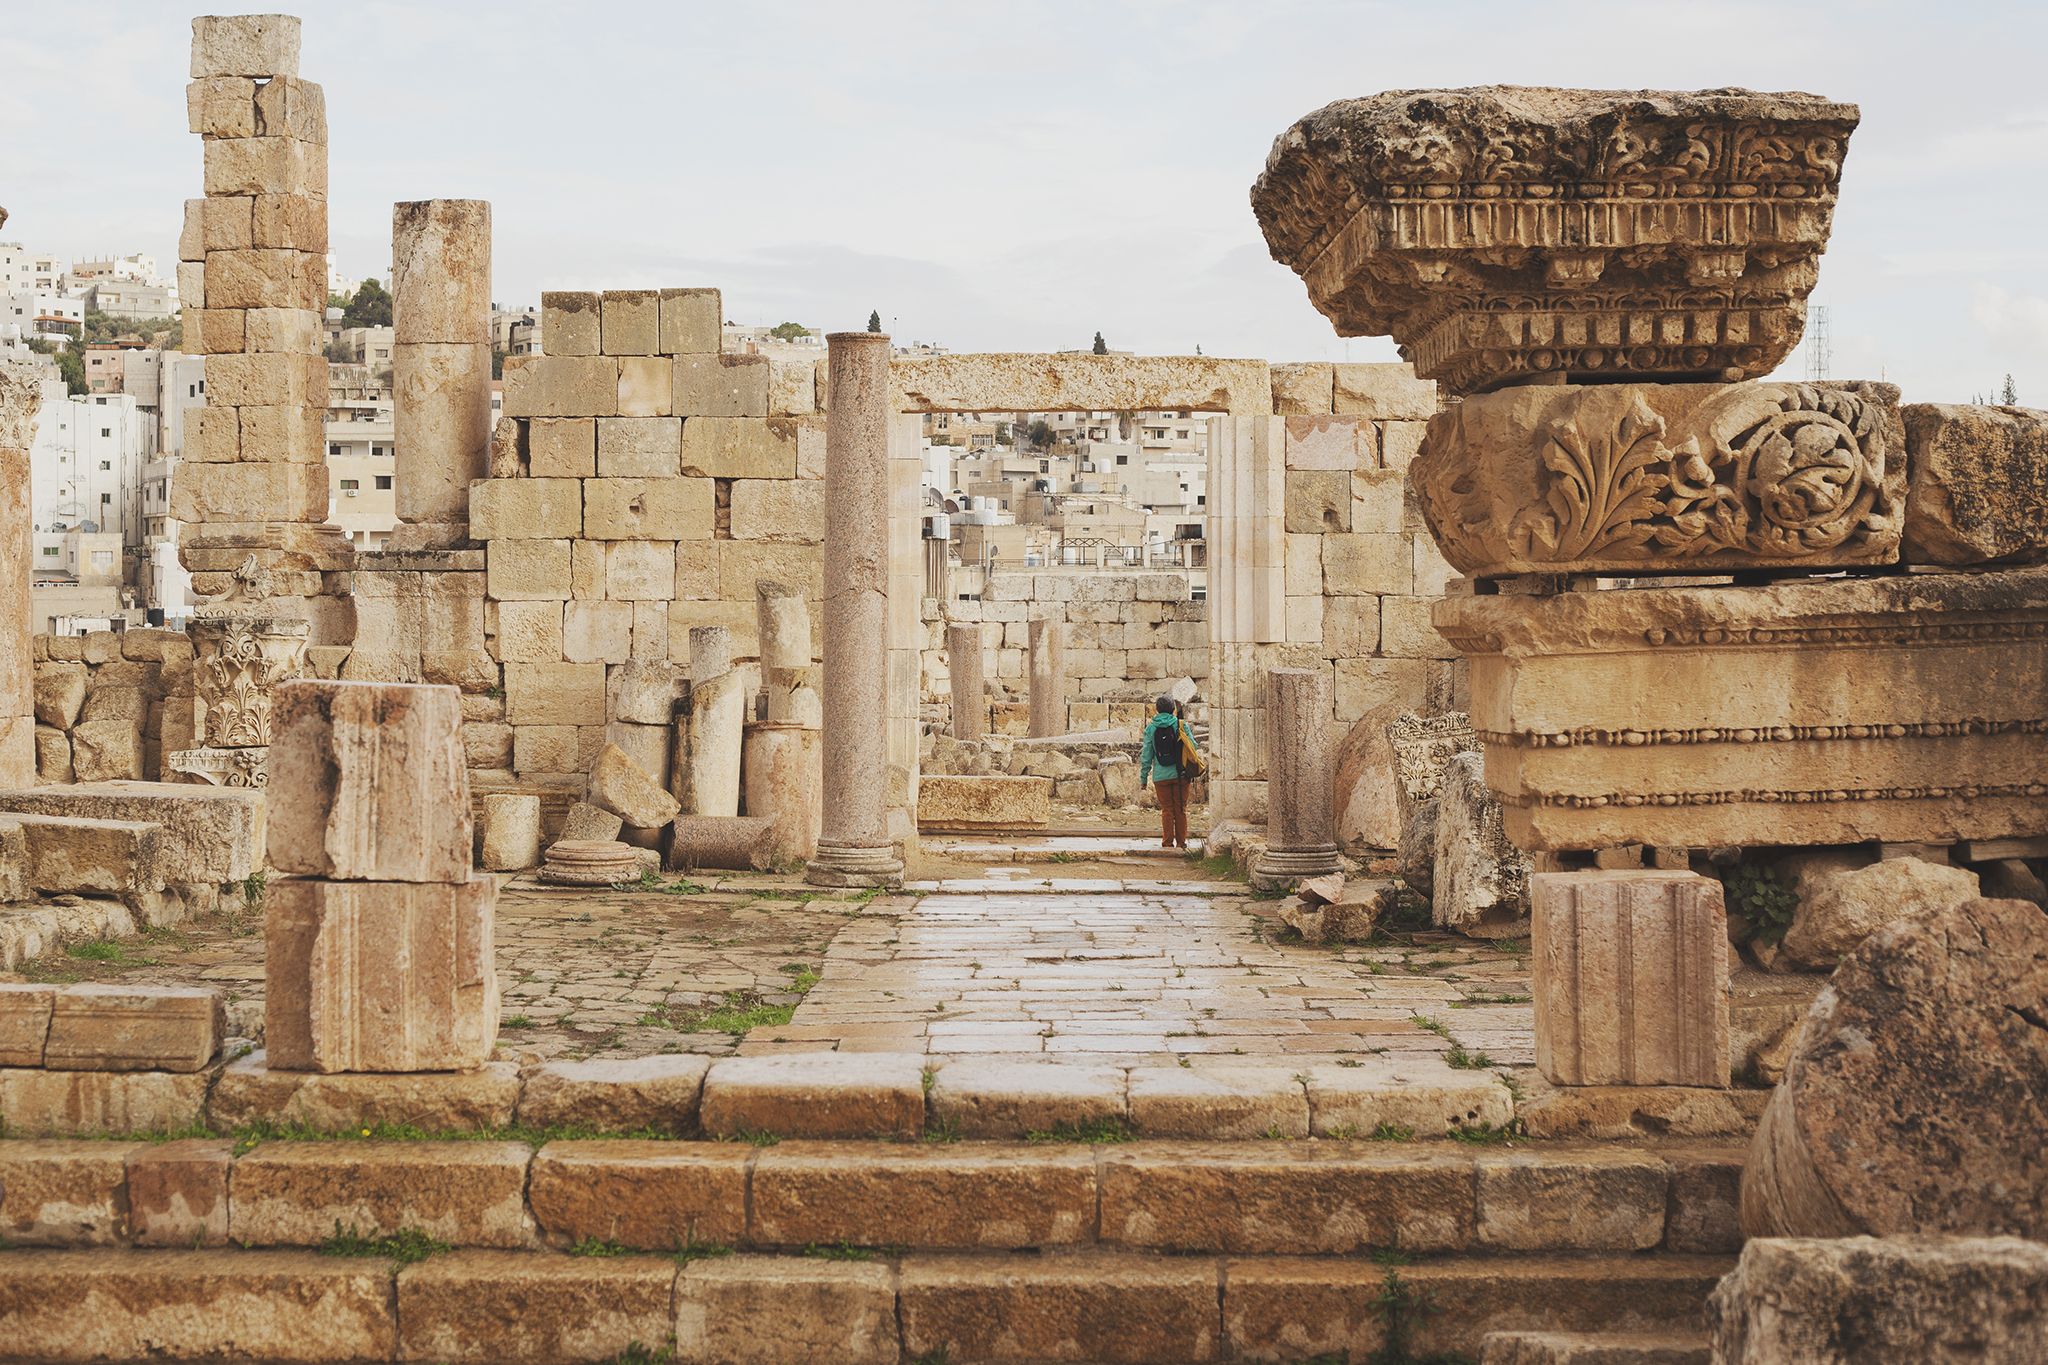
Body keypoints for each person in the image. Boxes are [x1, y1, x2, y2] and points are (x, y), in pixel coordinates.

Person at [1139, 695, 1192, 850]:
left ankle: (1167, 843)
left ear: (1157, 709)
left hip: (1160, 776)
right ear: (1172, 709)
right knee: (1181, 809)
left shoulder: (1151, 728)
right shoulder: (1180, 725)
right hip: (1180, 774)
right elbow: (1192, 746)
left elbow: (1146, 755)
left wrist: (1143, 778)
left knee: (1167, 810)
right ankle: (1181, 843)